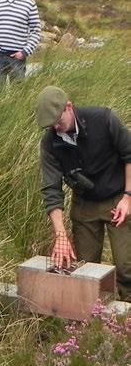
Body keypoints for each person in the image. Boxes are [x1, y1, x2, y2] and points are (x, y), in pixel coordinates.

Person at [36, 86, 131, 301]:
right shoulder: (50, 143)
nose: (57, 128)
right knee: (85, 269)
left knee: (127, 267)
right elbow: (52, 190)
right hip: (84, 204)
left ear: (69, 107)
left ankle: (127, 320)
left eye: (59, 121)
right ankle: (91, 321)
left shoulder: (104, 119)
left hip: (118, 199)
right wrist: (60, 235)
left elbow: (129, 155)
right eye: (52, 126)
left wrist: (128, 197)